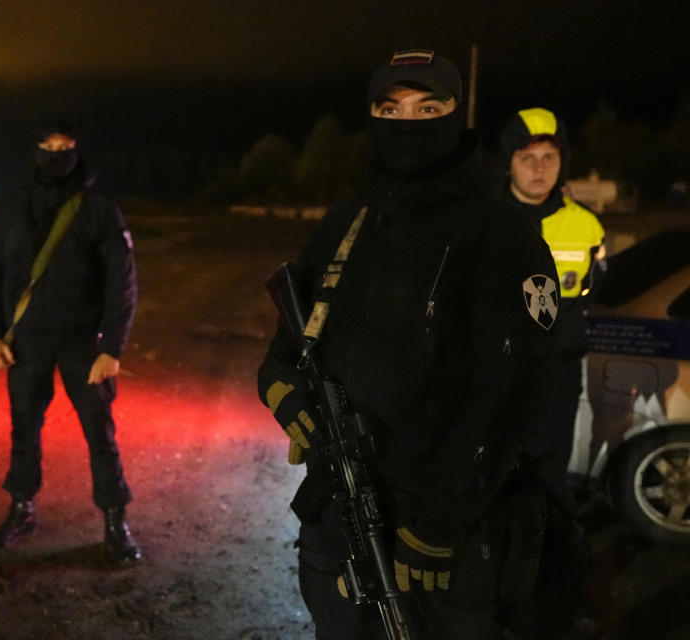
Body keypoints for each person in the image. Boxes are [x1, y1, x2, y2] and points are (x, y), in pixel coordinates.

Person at [258, 50, 564, 638]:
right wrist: (283, 391)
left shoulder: (500, 233)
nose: (408, 121)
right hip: (337, 516)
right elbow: (286, 346)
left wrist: (439, 525)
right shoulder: (344, 224)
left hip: (444, 538)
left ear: (456, 118)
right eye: (390, 107)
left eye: (428, 107)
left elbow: (514, 395)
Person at [0, 120, 140, 563]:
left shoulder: (99, 210)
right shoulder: (12, 209)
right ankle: (21, 509)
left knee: (99, 432)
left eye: (63, 143)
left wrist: (112, 349)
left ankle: (114, 520)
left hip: (83, 342)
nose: (55, 151)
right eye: (47, 144)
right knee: (24, 429)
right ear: (35, 149)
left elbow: (120, 284)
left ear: (77, 148)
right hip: (26, 343)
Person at [499, 108, 607, 495]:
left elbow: (595, 289)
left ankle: (547, 544)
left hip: (559, 368)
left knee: (550, 468)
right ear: (508, 163)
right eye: (526, 157)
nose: (539, 168)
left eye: (549, 157)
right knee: (494, 469)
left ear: (562, 163)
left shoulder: (587, 226)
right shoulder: (484, 220)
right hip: (494, 370)